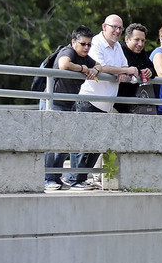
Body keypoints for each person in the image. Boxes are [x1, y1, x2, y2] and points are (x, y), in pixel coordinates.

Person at [71, 15, 139, 190]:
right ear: (104, 26)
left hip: (106, 104)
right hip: (89, 99)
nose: (117, 31)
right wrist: (124, 70)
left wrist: (123, 72)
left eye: (120, 28)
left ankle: (82, 179)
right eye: (113, 27)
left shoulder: (117, 47)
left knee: (96, 144)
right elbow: (101, 67)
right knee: (83, 143)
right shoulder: (95, 43)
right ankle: (73, 179)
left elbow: (125, 69)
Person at [44, 26, 100, 191]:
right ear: (73, 42)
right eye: (83, 44)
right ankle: (48, 178)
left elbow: (98, 65)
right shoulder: (68, 52)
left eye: (89, 45)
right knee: (54, 142)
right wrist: (83, 69)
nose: (86, 48)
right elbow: (63, 65)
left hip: (68, 103)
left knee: (64, 143)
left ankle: (56, 178)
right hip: (55, 102)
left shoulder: (85, 56)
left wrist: (94, 69)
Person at [116, 23, 157, 114]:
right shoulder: (119, 49)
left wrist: (149, 71)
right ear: (127, 39)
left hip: (130, 104)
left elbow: (152, 68)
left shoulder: (141, 53)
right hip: (113, 102)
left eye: (143, 40)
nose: (140, 44)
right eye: (137, 40)